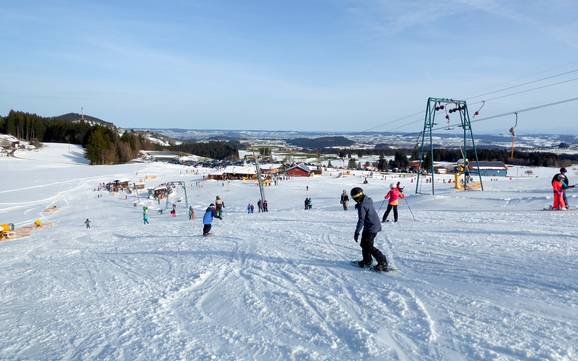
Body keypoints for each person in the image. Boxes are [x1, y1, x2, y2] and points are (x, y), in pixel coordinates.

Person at [350, 187, 388, 271]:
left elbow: (361, 220)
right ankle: (367, 261)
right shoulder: (367, 200)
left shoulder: (362, 205)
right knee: (364, 244)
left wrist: (357, 232)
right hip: (371, 225)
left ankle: (383, 262)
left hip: (371, 227)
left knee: (368, 246)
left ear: (357, 197)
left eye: (354, 198)